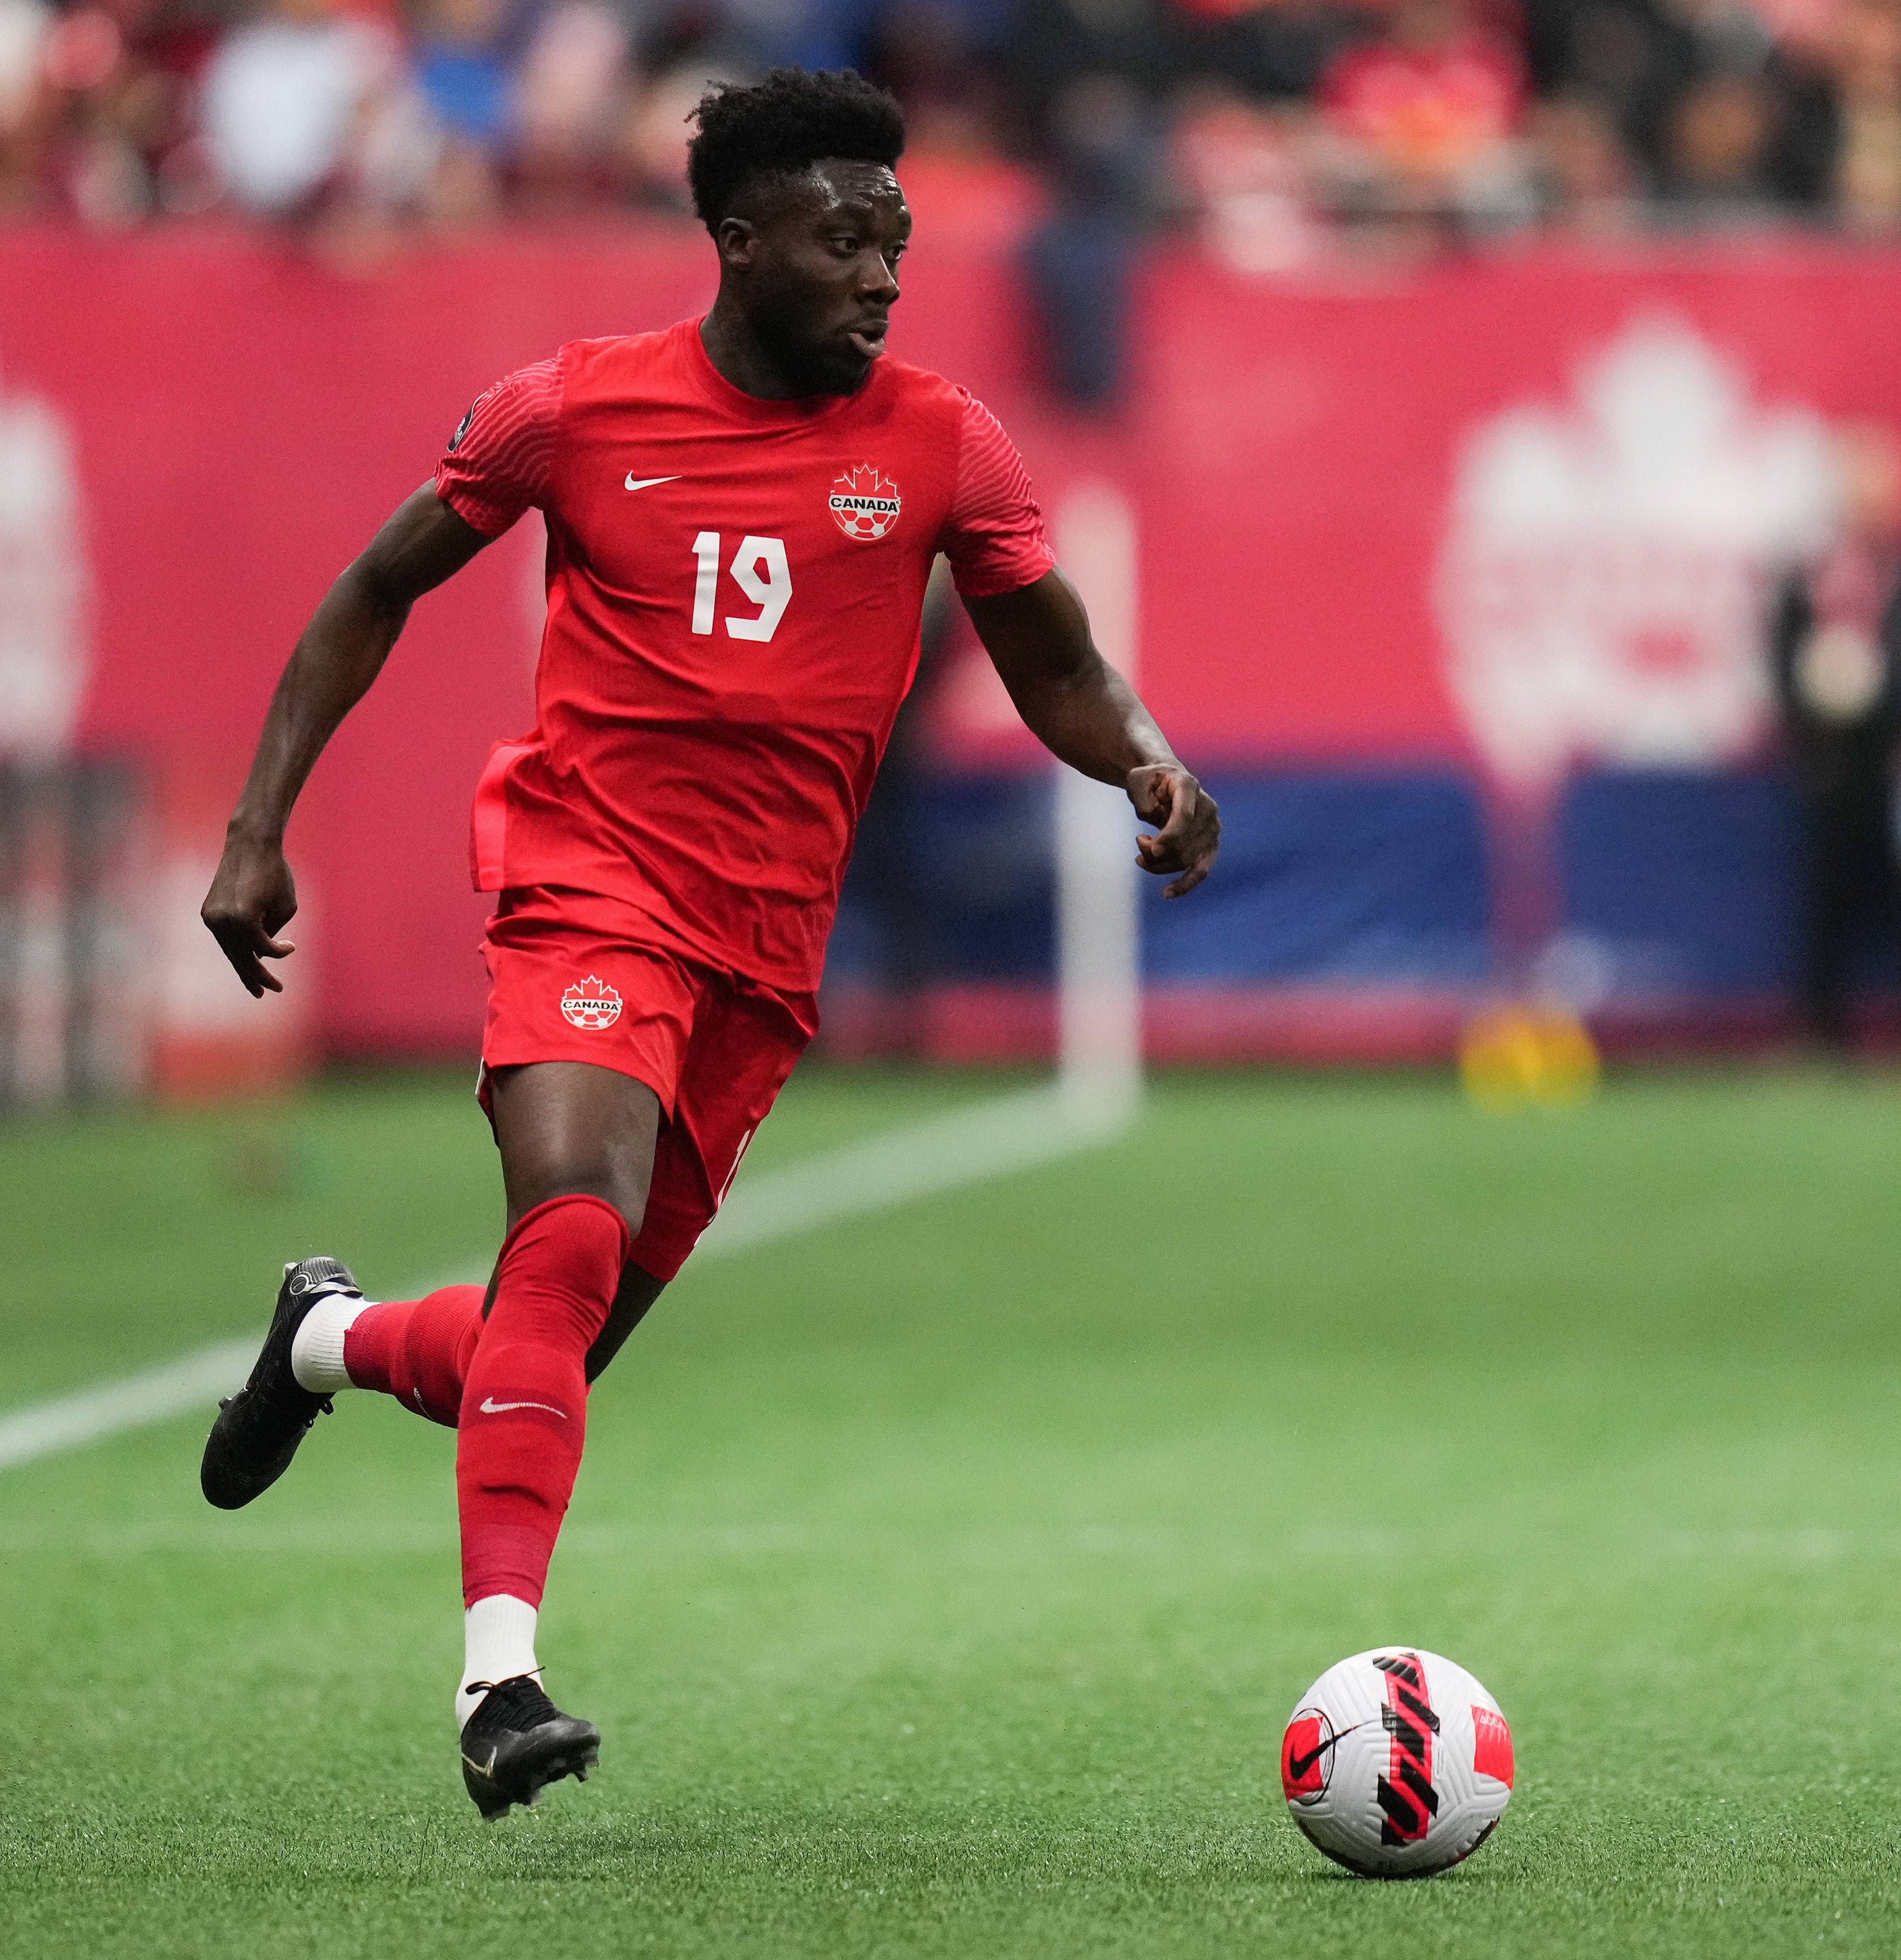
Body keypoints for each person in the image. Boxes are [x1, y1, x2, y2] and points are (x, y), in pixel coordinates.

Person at [191, 68, 1219, 1820]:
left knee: (545, 1352)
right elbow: (375, 586)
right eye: (845, 241)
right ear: (740, 242)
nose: (883, 276)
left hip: (761, 952)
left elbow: (1049, 653)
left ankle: (325, 1340)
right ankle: (497, 1683)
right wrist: (256, 825)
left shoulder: (938, 441)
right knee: (566, 1235)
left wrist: (1138, 751)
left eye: (894, 243)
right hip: (586, 880)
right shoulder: (569, 413)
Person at [1768, 423, 1901, 1049]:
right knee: (1827, 901)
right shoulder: (1813, 570)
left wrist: (1895, 702)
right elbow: (1780, 655)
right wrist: (1816, 702)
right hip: (1834, 767)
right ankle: (1820, 1030)